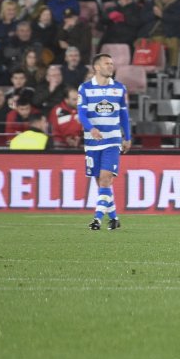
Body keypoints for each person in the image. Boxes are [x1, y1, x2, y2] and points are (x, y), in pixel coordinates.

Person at [79, 53, 131, 231]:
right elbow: (81, 114)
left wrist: (128, 137)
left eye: (112, 63)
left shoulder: (119, 88)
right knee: (99, 182)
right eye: (107, 63)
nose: (111, 66)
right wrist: (91, 128)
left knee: (105, 179)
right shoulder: (85, 88)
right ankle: (114, 218)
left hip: (112, 141)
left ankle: (97, 219)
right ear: (97, 67)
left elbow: (124, 115)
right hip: (92, 142)